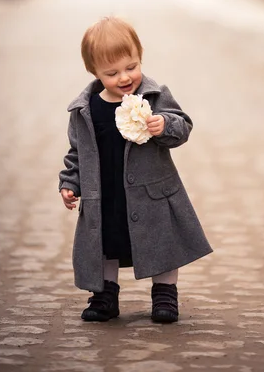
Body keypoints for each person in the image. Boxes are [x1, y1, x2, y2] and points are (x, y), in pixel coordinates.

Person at [59, 16, 212, 323]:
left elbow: (183, 128)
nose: (125, 77)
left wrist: (164, 125)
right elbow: (77, 152)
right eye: (112, 73)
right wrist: (70, 182)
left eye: (131, 66)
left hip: (150, 191)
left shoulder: (154, 96)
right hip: (105, 192)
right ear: (95, 72)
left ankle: (165, 295)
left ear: (139, 57)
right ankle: (104, 296)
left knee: (162, 240)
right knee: (105, 242)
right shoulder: (85, 109)